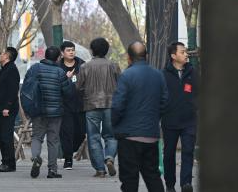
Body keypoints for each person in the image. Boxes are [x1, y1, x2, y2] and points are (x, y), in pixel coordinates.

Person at [112, 41, 168, 192]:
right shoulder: (158, 75)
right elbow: (164, 101)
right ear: (146, 56)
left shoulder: (126, 76)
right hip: (151, 134)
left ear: (129, 57)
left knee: (129, 178)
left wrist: (115, 125)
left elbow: (117, 105)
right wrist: (154, 118)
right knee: (152, 175)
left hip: (129, 136)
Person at [24, 46, 72, 179]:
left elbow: (26, 87)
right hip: (55, 112)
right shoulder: (60, 72)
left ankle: (35, 157)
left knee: (37, 137)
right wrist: (68, 79)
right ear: (57, 58)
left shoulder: (34, 68)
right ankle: (52, 170)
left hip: (38, 110)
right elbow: (68, 92)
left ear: (45, 56)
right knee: (53, 140)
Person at [78, 37, 121, 178]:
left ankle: (100, 169)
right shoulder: (114, 66)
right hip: (111, 105)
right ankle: (109, 157)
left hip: (91, 105)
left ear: (92, 50)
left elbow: (78, 87)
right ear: (106, 50)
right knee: (111, 136)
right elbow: (121, 85)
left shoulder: (85, 67)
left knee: (93, 137)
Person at [161, 42, 197, 192]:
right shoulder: (163, 75)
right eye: (182, 52)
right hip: (170, 120)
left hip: (189, 121)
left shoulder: (193, 72)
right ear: (173, 56)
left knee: (188, 151)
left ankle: (186, 183)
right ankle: (170, 184)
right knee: (169, 154)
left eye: (186, 51)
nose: (186, 54)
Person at [58, 41, 85, 170]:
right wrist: (66, 79)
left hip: (80, 104)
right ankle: (68, 159)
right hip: (64, 105)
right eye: (68, 50)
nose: (71, 52)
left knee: (81, 133)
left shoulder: (82, 65)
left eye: (73, 50)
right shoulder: (58, 67)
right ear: (62, 53)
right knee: (66, 133)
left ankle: (71, 149)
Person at [0, 47, 20, 173]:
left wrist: (7, 107)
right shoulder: (4, 69)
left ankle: (10, 164)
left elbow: (13, 91)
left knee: (6, 137)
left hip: (7, 109)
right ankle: (4, 162)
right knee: (2, 137)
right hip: (0, 109)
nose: (1, 55)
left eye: (3, 53)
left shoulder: (12, 70)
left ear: (7, 56)